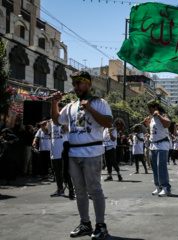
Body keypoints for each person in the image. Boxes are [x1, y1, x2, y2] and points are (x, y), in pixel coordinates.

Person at [50, 71, 112, 239]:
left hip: (92, 152)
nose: (75, 87)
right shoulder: (70, 106)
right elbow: (57, 121)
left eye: (79, 83)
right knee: (79, 191)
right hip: (73, 153)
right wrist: (55, 103)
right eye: (74, 84)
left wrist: (90, 108)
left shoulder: (100, 103)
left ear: (88, 84)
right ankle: (85, 223)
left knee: (95, 190)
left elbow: (108, 122)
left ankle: (101, 225)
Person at [143, 99, 171, 197]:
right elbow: (153, 132)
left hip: (162, 145)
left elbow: (167, 124)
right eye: (149, 108)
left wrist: (158, 115)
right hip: (153, 145)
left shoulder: (163, 115)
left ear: (157, 107)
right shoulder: (152, 119)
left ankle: (166, 188)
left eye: (152, 107)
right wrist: (147, 124)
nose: (150, 110)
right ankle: (158, 186)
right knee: (154, 168)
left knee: (161, 167)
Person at [48, 104, 75, 199]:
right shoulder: (51, 122)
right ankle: (60, 189)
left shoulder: (66, 120)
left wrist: (65, 127)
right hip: (54, 151)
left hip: (63, 150)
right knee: (57, 172)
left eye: (58, 109)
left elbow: (71, 131)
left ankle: (71, 190)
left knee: (66, 172)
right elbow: (49, 133)